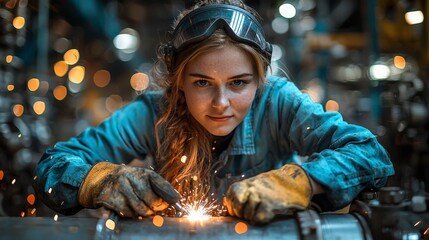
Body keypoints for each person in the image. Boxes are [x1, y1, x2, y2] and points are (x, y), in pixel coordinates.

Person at [33, 0, 394, 224]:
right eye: (203, 83)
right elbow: (52, 165)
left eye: (239, 83)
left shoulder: (279, 102)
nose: (221, 104)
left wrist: (301, 181)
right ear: (179, 83)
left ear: (260, 81)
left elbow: (370, 154)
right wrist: (99, 181)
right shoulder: (152, 113)